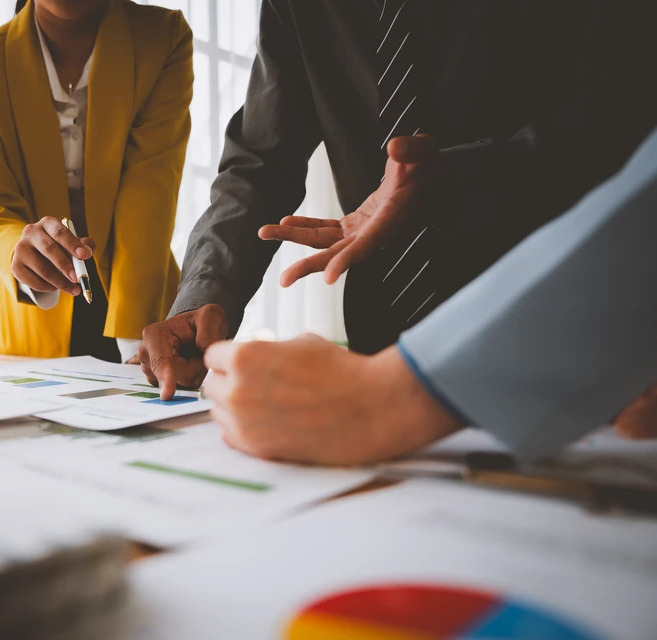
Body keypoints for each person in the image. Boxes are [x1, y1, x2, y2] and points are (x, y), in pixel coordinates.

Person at [138, 0, 655, 396]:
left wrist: (456, 178)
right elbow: (259, 159)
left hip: (571, 332)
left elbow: (623, 118)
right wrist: (207, 294)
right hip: (383, 354)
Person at [202, 130, 657, 465]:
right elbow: (258, 156)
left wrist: (385, 398)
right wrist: (205, 293)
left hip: (609, 353)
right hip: (377, 332)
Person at [0, 0, 192, 362]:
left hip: (143, 304)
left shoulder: (161, 36)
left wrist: (134, 335)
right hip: (31, 319)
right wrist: (20, 247)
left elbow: (151, 189)